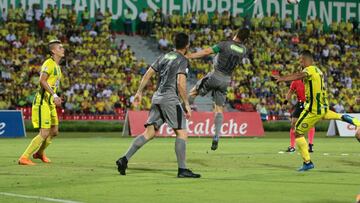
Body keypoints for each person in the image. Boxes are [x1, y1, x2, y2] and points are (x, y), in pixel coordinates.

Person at [115, 33, 201, 178]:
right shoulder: (182, 60)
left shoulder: (164, 56)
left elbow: (148, 73)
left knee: (149, 133)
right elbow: (181, 83)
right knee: (182, 133)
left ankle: (124, 159)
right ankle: (182, 169)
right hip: (170, 99)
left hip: (157, 98)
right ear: (187, 45)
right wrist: (186, 104)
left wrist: (139, 92)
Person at [273, 50, 360, 171]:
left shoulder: (309, 70)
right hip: (323, 107)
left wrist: (282, 78)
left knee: (298, 132)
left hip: (313, 109)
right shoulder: (319, 71)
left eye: (300, 60)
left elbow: (298, 75)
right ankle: (358, 123)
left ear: (304, 60)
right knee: (339, 116)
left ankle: (307, 162)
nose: (300, 62)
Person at [186, 28, 250, 151]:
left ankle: (181, 115)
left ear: (236, 33)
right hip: (226, 80)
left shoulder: (225, 44)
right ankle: (216, 136)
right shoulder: (243, 50)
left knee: (193, 91)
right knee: (218, 108)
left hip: (215, 75)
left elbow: (206, 51)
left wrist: (190, 56)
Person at [18, 40, 64, 165]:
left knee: (54, 131)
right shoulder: (49, 63)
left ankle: (39, 153)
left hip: (50, 102)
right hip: (42, 101)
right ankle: (24, 157)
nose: (63, 49)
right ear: (53, 51)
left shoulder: (57, 67)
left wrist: (56, 97)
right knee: (44, 132)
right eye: (60, 48)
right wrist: (54, 95)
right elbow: (42, 81)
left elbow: (52, 84)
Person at [284, 79, 315, 153]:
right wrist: (285, 102)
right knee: (293, 124)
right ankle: (292, 146)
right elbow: (290, 92)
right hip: (300, 103)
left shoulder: (311, 80)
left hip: (309, 103)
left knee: (311, 124)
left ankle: (310, 145)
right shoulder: (295, 81)